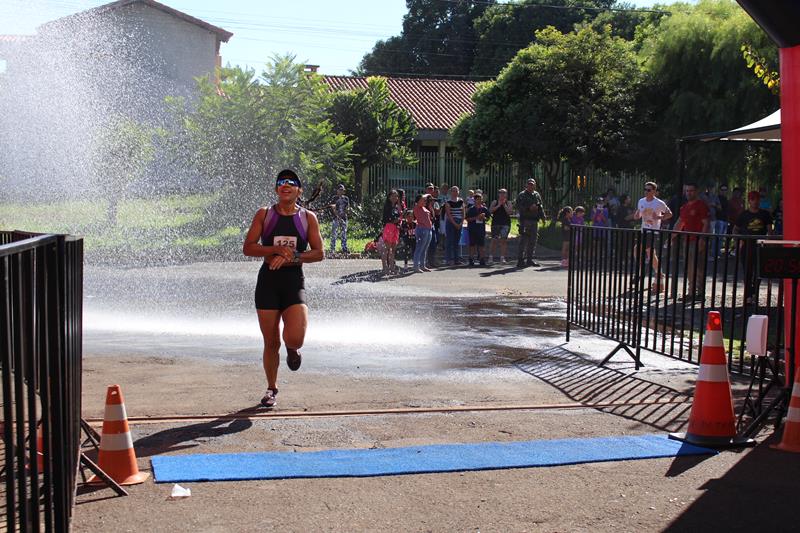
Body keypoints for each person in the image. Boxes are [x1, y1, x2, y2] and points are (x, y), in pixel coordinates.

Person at [243, 169, 324, 408]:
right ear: (276, 189)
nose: (285, 185)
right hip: (268, 281)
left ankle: (293, 349)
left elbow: (319, 253)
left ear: (299, 190)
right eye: (281, 182)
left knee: (296, 337)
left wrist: (292, 256)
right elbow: (248, 247)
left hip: (293, 282)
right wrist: (275, 251)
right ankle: (271, 388)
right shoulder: (264, 214)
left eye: (291, 182)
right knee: (270, 342)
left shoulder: (307, 217)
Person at [673, 182, 710, 299]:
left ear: (696, 191)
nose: (689, 193)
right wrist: (671, 237)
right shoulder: (684, 207)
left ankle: (700, 292)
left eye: (691, 190)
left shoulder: (701, 205)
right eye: (687, 191)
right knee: (689, 266)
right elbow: (680, 223)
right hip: (687, 240)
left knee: (698, 266)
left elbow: (706, 223)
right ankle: (691, 292)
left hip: (697, 239)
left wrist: (703, 239)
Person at [735, 191, 773, 304]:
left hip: (760, 246)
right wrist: (739, 239)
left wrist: (769, 241)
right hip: (747, 246)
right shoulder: (743, 214)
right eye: (752, 199)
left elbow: (770, 230)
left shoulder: (765, 214)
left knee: (759, 271)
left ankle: (754, 293)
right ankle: (748, 295)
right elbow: (735, 229)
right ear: (749, 201)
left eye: (757, 199)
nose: (755, 201)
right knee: (747, 271)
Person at [633, 181, 672, 281]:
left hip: (653, 231)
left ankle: (641, 273)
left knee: (642, 250)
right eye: (645, 189)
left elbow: (669, 214)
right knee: (648, 252)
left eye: (649, 190)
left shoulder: (659, 203)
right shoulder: (641, 201)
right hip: (643, 230)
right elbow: (638, 213)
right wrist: (637, 215)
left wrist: (659, 217)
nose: (646, 192)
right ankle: (658, 272)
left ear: (654, 191)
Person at [516, 178, 545, 267]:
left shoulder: (536, 194)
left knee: (533, 240)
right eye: (529, 184)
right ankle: (520, 260)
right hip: (525, 220)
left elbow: (540, 206)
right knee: (524, 240)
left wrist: (543, 216)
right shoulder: (522, 195)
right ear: (526, 185)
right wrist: (529, 208)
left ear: (535, 185)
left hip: (534, 220)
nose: (531, 186)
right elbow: (518, 206)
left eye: (532, 184)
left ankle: (530, 259)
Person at [488, 188, 513, 264]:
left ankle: (502, 258)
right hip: (496, 223)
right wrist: (498, 205)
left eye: (504, 193)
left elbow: (510, 212)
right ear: (498, 194)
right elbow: (490, 211)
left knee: (503, 240)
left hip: (505, 223)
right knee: (494, 240)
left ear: (506, 194)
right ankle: (490, 257)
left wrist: (504, 205)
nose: (502, 194)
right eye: (501, 193)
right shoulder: (494, 202)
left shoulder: (509, 203)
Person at [381, 190, 402, 276]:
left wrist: (399, 221)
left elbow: (398, 217)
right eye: (393, 196)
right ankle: (384, 267)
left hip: (395, 228)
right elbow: (386, 219)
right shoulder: (387, 207)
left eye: (396, 196)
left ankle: (392, 267)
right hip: (389, 227)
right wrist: (395, 220)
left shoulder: (396, 207)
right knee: (387, 248)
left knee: (393, 249)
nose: (395, 198)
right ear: (389, 197)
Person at [466, 191, 490, 266]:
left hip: (481, 229)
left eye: (481, 199)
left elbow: (488, 218)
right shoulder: (471, 209)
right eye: (478, 199)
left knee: (481, 244)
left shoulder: (484, 209)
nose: (479, 201)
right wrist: (476, 217)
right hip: (472, 228)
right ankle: (471, 259)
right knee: (472, 244)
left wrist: (484, 218)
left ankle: (482, 259)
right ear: (475, 200)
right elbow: (467, 219)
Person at [444, 186, 465, 265]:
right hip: (451, 222)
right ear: (451, 192)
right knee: (450, 241)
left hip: (459, 222)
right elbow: (448, 214)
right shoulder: (448, 202)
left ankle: (456, 259)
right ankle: (449, 259)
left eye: (456, 191)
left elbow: (463, 213)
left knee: (457, 241)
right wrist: (455, 223)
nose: (455, 192)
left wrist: (461, 223)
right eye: (453, 191)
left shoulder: (461, 201)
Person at [413, 194, 433, 273]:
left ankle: (422, 265)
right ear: (418, 201)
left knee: (424, 248)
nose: (425, 201)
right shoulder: (417, 207)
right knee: (419, 248)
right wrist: (428, 194)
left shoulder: (424, 207)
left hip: (428, 229)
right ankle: (416, 266)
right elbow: (424, 197)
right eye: (423, 200)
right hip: (422, 229)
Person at [328, 184, 350, 255]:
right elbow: (333, 208)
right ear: (337, 191)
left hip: (344, 218)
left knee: (344, 234)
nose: (341, 191)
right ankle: (332, 249)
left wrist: (348, 211)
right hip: (336, 218)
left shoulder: (346, 198)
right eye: (340, 190)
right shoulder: (334, 198)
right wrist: (338, 216)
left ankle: (344, 248)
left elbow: (347, 208)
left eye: (342, 190)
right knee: (334, 234)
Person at [425, 184, 441, 268]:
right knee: (426, 244)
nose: (431, 190)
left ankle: (432, 260)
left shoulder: (434, 201)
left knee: (433, 243)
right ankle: (425, 261)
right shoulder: (423, 199)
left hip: (433, 224)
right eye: (429, 188)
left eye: (432, 189)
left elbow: (437, 212)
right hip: (425, 225)